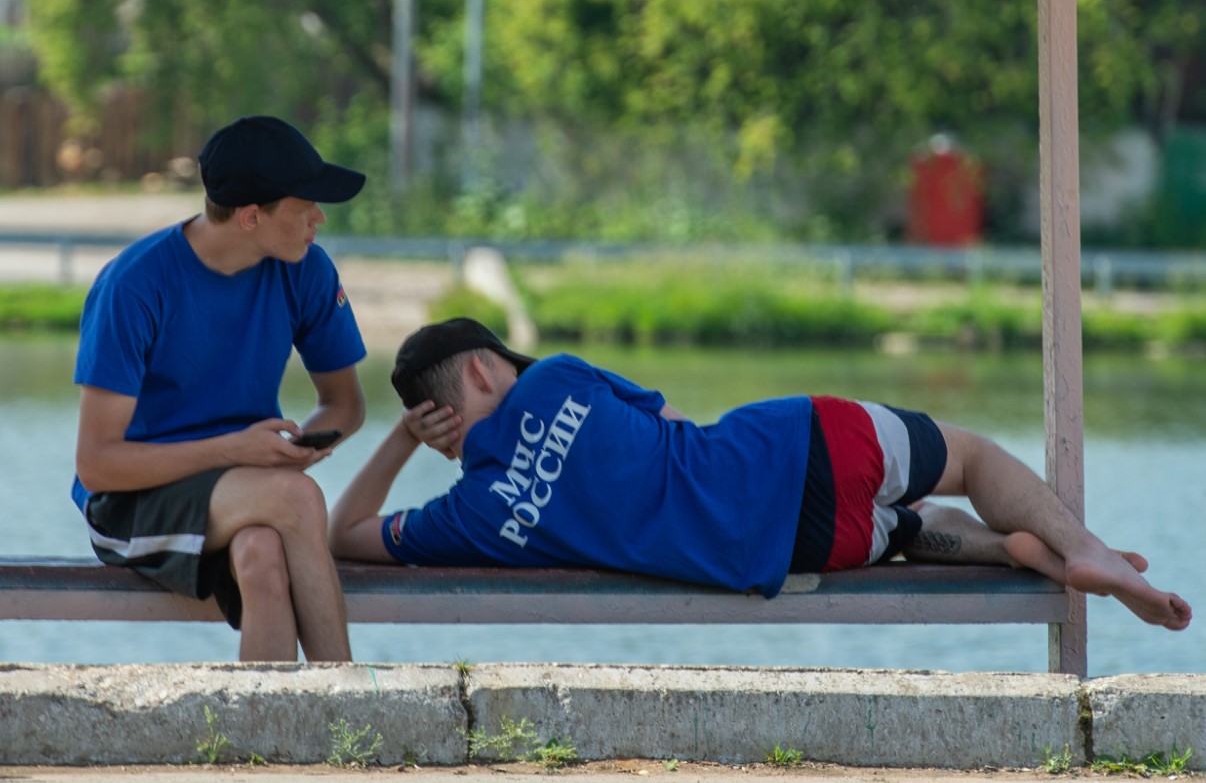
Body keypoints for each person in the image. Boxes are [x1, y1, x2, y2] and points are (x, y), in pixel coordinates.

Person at [329, 318, 1193, 632]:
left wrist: (404, 443)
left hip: (784, 549)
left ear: (436, 417)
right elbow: (666, 422)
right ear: (484, 369)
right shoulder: (553, 375)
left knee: (899, 533)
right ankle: (1088, 551)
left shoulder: (474, 515)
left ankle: (1012, 550)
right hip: (795, 445)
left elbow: (346, 536)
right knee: (966, 456)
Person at [73, 115, 369, 662]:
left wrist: (300, 444)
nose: (319, 219)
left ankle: (267, 740)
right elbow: (96, 465)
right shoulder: (133, 285)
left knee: (263, 553)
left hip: (241, 490)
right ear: (252, 216)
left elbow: (345, 403)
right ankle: (349, 703)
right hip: (128, 506)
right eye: (306, 207)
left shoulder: (304, 269)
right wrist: (238, 450)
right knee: (297, 500)